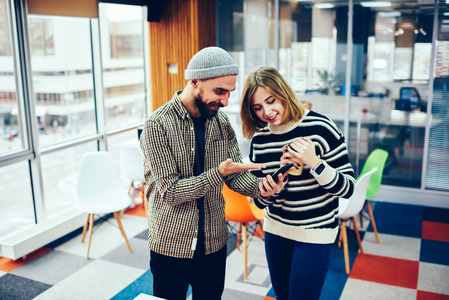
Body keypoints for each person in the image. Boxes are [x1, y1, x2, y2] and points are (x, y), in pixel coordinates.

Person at [140, 47, 286, 300]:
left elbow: (235, 175)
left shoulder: (221, 122)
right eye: (220, 92)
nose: (226, 101)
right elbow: (171, 192)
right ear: (194, 81)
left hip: (214, 241)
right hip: (171, 243)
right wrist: (217, 173)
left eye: (230, 92)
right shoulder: (157, 125)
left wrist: (262, 187)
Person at [240, 66, 356, 300]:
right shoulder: (260, 141)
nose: (267, 112)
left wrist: (315, 163)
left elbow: (348, 188)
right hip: (275, 231)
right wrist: (272, 189)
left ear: (283, 93)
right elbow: (259, 201)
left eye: (271, 101)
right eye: (258, 107)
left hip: (314, 233)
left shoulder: (321, 127)